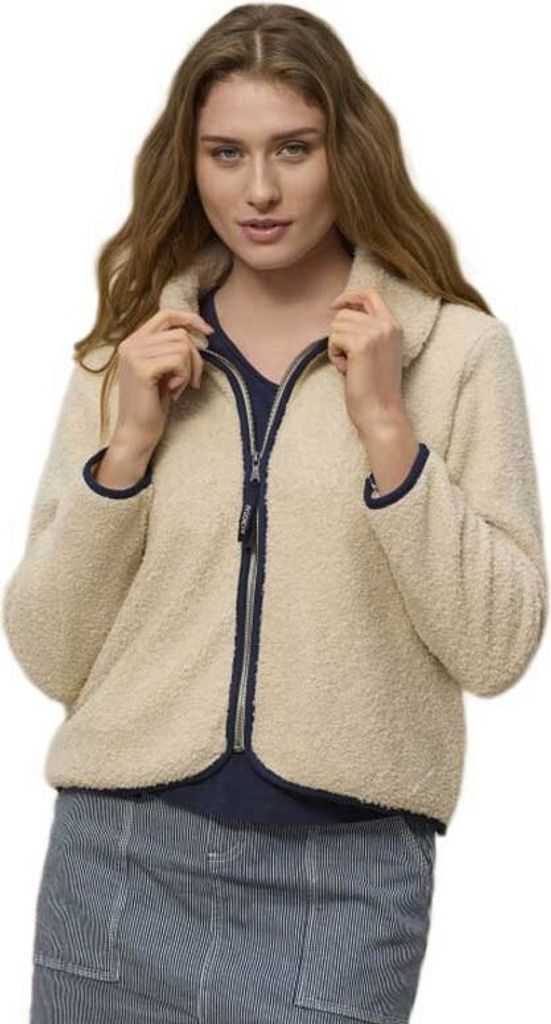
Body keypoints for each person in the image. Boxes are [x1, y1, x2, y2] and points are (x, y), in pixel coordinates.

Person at [3, 4, 547, 1022]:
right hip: (117, 863)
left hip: (347, 885)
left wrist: (386, 431)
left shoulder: (455, 353)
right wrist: (126, 452)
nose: (258, 189)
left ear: (348, 152)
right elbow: (48, 651)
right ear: (189, 163)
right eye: (227, 153)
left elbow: (497, 646)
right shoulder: (126, 356)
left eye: (293, 148)